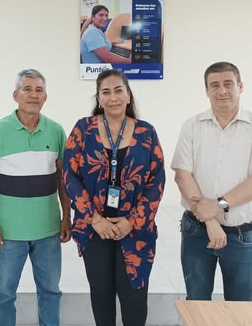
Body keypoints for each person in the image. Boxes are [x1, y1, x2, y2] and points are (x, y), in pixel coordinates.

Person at [62, 69, 165, 326]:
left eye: (119, 90)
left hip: (135, 230)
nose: (113, 97)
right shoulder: (83, 129)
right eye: (106, 92)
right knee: (101, 294)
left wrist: (132, 221)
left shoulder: (146, 132)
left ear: (128, 95)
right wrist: (94, 219)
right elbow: (69, 175)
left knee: (134, 296)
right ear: (99, 99)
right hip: (94, 228)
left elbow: (157, 180)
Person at [171, 61, 252, 301]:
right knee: (197, 304)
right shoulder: (192, 126)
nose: (222, 91)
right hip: (197, 231)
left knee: (239, 308)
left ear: (240, 87)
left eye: (228, 84)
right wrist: (210, 219)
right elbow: (182, 175)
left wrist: (218, 204)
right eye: (215, 85)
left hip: (243, 234)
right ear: (206, 90)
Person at [0, 69, 71, 326]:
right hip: (8, 232)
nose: (33, 94)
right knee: (4, 293)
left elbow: (63, 177)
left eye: (39, 90)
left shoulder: (56, 131)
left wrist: (66, 216)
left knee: (50, 291)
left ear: (45, 97)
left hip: (48, 229)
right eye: (27, 89)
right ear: (15, 95)